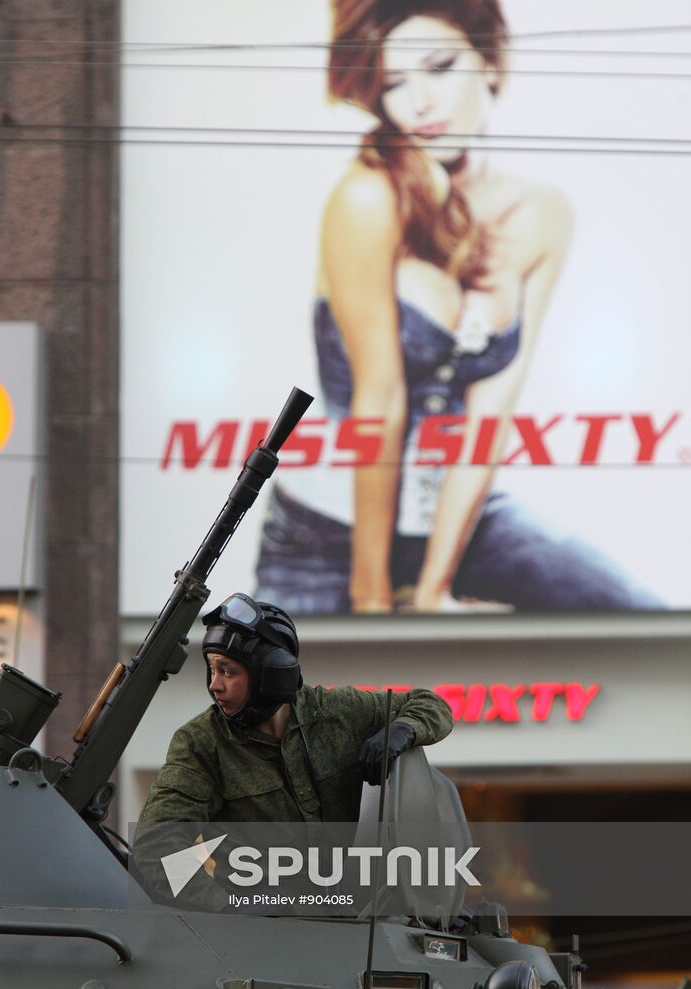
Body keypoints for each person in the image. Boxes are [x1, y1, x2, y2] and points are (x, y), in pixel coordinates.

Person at [254, 0, 663, 614]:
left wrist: (433, 590)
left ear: (489, 61)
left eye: (440, 67)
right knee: (288, 705)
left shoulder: (541, 214)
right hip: (329, 537)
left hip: (466, 526)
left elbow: (486, 420)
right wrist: (372, 601)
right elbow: (380, 403)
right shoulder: (367, 196)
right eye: (393, 83)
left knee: (642, 621)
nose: (419, 102)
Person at [134, 593, 452, 907]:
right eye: (212, 670)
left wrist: (403, 729)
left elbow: (430, 703)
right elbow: (156, 847)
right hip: (261, 933)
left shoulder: (338, 712)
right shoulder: (201, 743)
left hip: (352, 919)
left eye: (227, 671)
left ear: (271, 674)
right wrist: (226, 908)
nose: (214, 685)